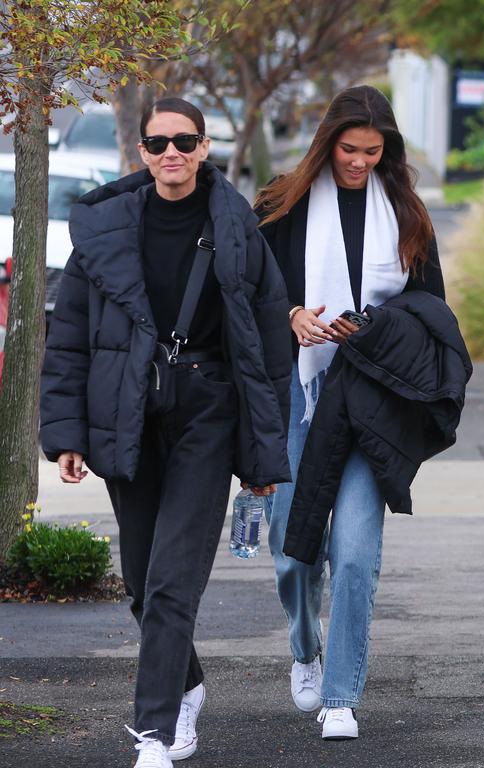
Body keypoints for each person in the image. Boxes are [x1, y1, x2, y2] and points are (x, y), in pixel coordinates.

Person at [39, 97, 292, 768]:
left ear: (205, 147)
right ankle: (185, 682)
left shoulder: (237, 227)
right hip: (130, 413)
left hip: (208, 412)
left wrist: (263, 451)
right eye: (158, 142)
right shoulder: (104, 230)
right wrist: (66, 433)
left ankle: (153, 731)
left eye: (185, 140)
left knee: (174, 581)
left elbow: (268, 345)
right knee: (140, 581)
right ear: (141, 152)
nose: (171, 152)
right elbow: (68, 341)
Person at [255, 84, 448, 741]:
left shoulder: (406, 213)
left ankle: (341, 697)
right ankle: (304, 650)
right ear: (327, 143)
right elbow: (251, 299)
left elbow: (433, 316)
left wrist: (372, 330)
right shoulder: (281, 204)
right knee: (291, 552)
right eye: (349, 150)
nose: (360, 162)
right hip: (299, 397)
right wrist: (293, 317)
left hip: (373, 404)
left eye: (373, 151)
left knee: (356, 554)